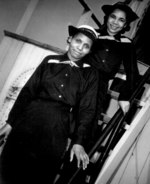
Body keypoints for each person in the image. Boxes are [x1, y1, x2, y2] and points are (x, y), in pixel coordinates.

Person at [0, 24, 99, 184]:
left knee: (40, 175)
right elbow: (27, 93)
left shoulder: (90, 74)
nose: (79, 48)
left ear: (90, 51)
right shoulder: (50, 61)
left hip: (57, 129)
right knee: (9, 167)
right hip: (28, 120)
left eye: (86, 46)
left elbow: (87, 109)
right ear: (70, 39)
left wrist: (78, 141)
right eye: (77, 41)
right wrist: (10, 123)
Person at [85, 2, 140, 142]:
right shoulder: (93, 34)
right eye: (113, 17)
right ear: (107, 17)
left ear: (125, 24)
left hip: (99, 90)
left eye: (121, 20)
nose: (115, 22)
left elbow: (133, 72)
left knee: (86, 133)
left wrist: (124, 97)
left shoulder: (127, 43)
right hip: (78, 82)